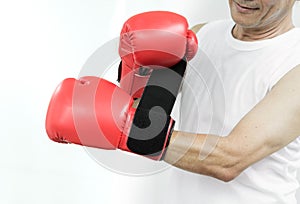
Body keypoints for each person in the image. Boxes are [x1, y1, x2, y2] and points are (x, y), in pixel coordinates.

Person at [160, 0, 300, 203]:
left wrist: (136, 133)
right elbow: (145, 110)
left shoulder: (294, 61)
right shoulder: (199, 36)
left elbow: (229, 160)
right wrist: (136, 67)